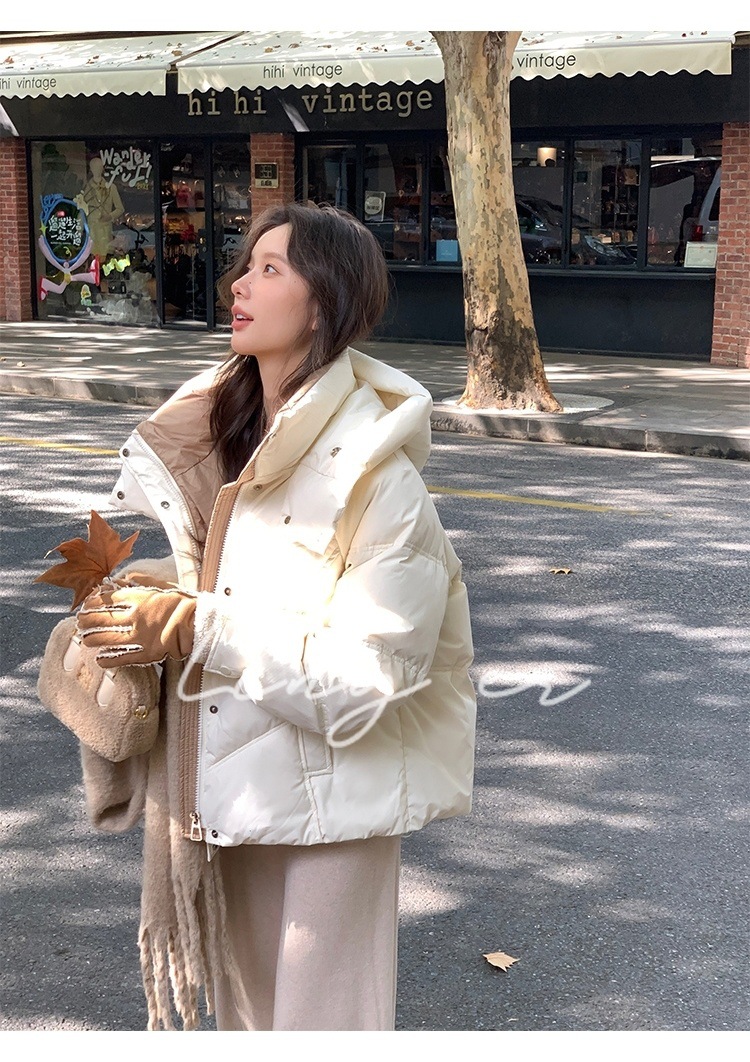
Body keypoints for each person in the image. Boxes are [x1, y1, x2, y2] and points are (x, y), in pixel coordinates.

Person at [75, 202, 477, 1031]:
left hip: (338, 803)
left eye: (270, 269)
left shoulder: (380, 480)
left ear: (325, 303)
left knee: (319, 1029)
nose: (238, 285)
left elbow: (369, 678)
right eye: (244, 265)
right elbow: (231, 587)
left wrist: (195, 626)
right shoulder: (224, 443)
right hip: (233, 783)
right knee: (249, 1025)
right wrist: (149, 599)